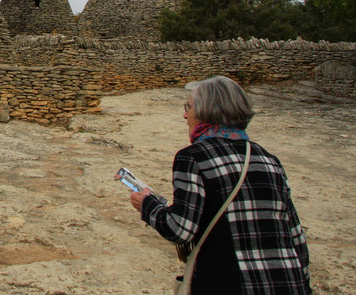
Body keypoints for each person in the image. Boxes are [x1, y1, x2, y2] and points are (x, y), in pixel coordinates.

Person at [129, 76, 311, 294]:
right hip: (288, 283)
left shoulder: (194, 157)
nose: (185, 114)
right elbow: (295, 234)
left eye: (189, 106)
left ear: (208, 110)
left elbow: (180, 229)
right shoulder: (269, 159)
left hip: (230, 282)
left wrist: (148, 203)